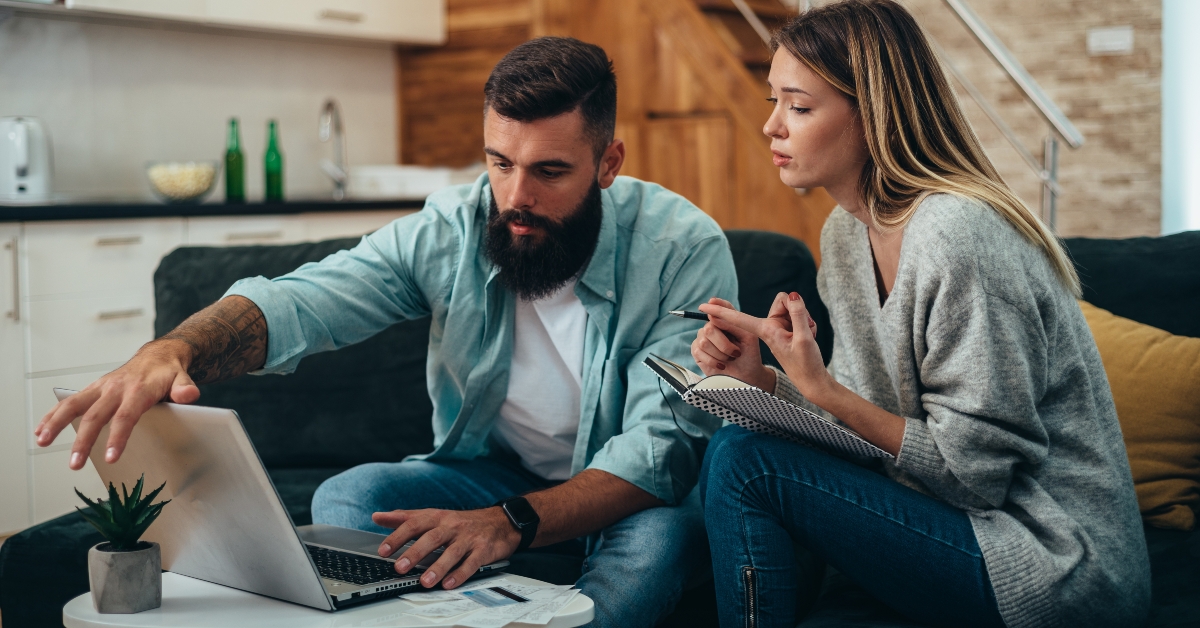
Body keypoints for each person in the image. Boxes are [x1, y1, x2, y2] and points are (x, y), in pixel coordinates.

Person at [36, 37, 737, 628]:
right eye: (500, 163)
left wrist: (509, 523)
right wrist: (174, 348)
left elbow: (661, 451)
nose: (516, 198)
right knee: (351, 500)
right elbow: (306, 300)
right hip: (491, 474)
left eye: (549, 171)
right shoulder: (452, 228)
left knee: (660, 545)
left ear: (608, 163)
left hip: (625, 498)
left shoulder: (681, 248)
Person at [688, 2, 1150, 627]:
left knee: (746, 463)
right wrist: (766, 382)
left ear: (873, 114)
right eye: (775, 101)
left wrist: (822, 388)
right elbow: (863, 428)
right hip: (949, 521)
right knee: (738, 443)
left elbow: (975, 479)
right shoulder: (845, 235)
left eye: (798, 106)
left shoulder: (957, 236)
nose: (771, 126)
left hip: (1047, 559)